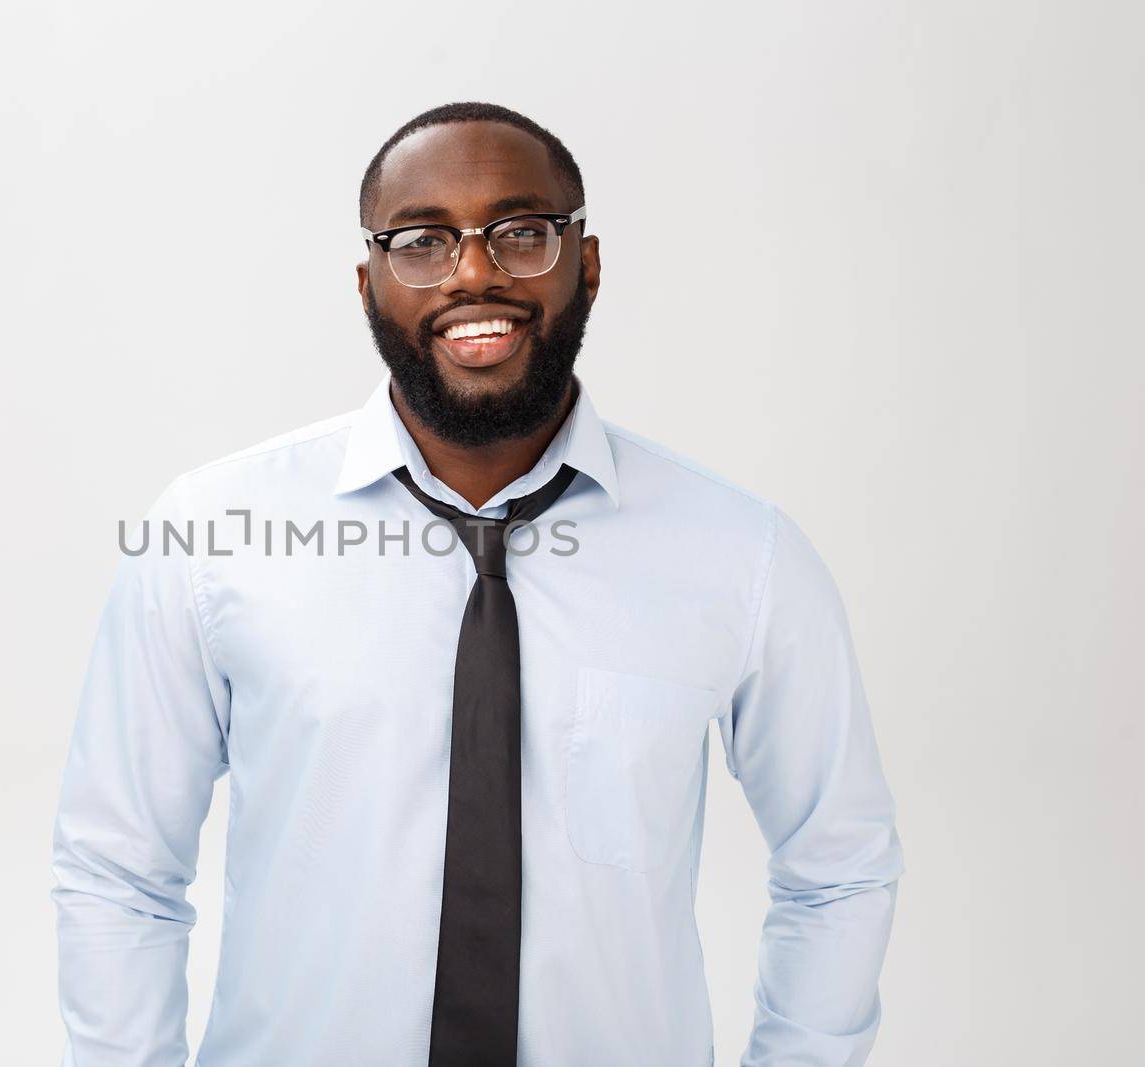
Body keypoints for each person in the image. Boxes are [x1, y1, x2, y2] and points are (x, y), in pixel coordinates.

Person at [50, 101, 904, 1067]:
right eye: (420, 241)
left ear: (586, 262)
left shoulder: (742, 555)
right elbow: (118, 871)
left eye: (521, 233)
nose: (473, 272)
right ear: (367, 280)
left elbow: (838, 866)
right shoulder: (209, 539)